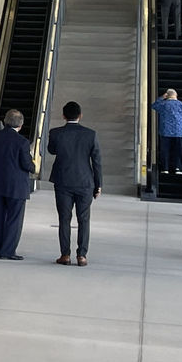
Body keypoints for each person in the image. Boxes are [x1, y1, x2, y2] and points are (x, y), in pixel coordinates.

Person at [47, 101, 102, 267]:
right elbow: (97, 161)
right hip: (85, 182)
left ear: (63, 116)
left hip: (63, 181)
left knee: (64, 218)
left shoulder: (56, 133)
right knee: (84, 219)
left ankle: (65, 255)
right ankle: (82, 255)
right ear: (80, 115)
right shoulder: (90, 134)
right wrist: (98, 184)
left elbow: (51, 150)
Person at [0, 110, 35, 260]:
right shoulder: (22, 142)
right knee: (14, 219)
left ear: (4, 121)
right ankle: (8, 251)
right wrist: (34, 166)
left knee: (0, 218)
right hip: (16, 187)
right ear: (21, 125)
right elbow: (27, 164)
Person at [152, 89, 182, 175]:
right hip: (180, 131)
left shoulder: (163, 104)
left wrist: (161, 98)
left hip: (165, 131)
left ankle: (165, 168)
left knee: (165, 150)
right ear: (176, 95)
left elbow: (154, 106)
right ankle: (178, 168)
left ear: (167, 95)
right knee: (178, 151)